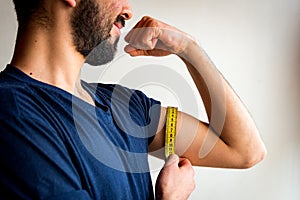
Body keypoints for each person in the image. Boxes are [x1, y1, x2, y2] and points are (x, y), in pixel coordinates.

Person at [0, 0, 266, 199]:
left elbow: (244, 151)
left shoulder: (125, 107)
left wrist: (188, 49)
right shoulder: (13, 116)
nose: (128, 11)